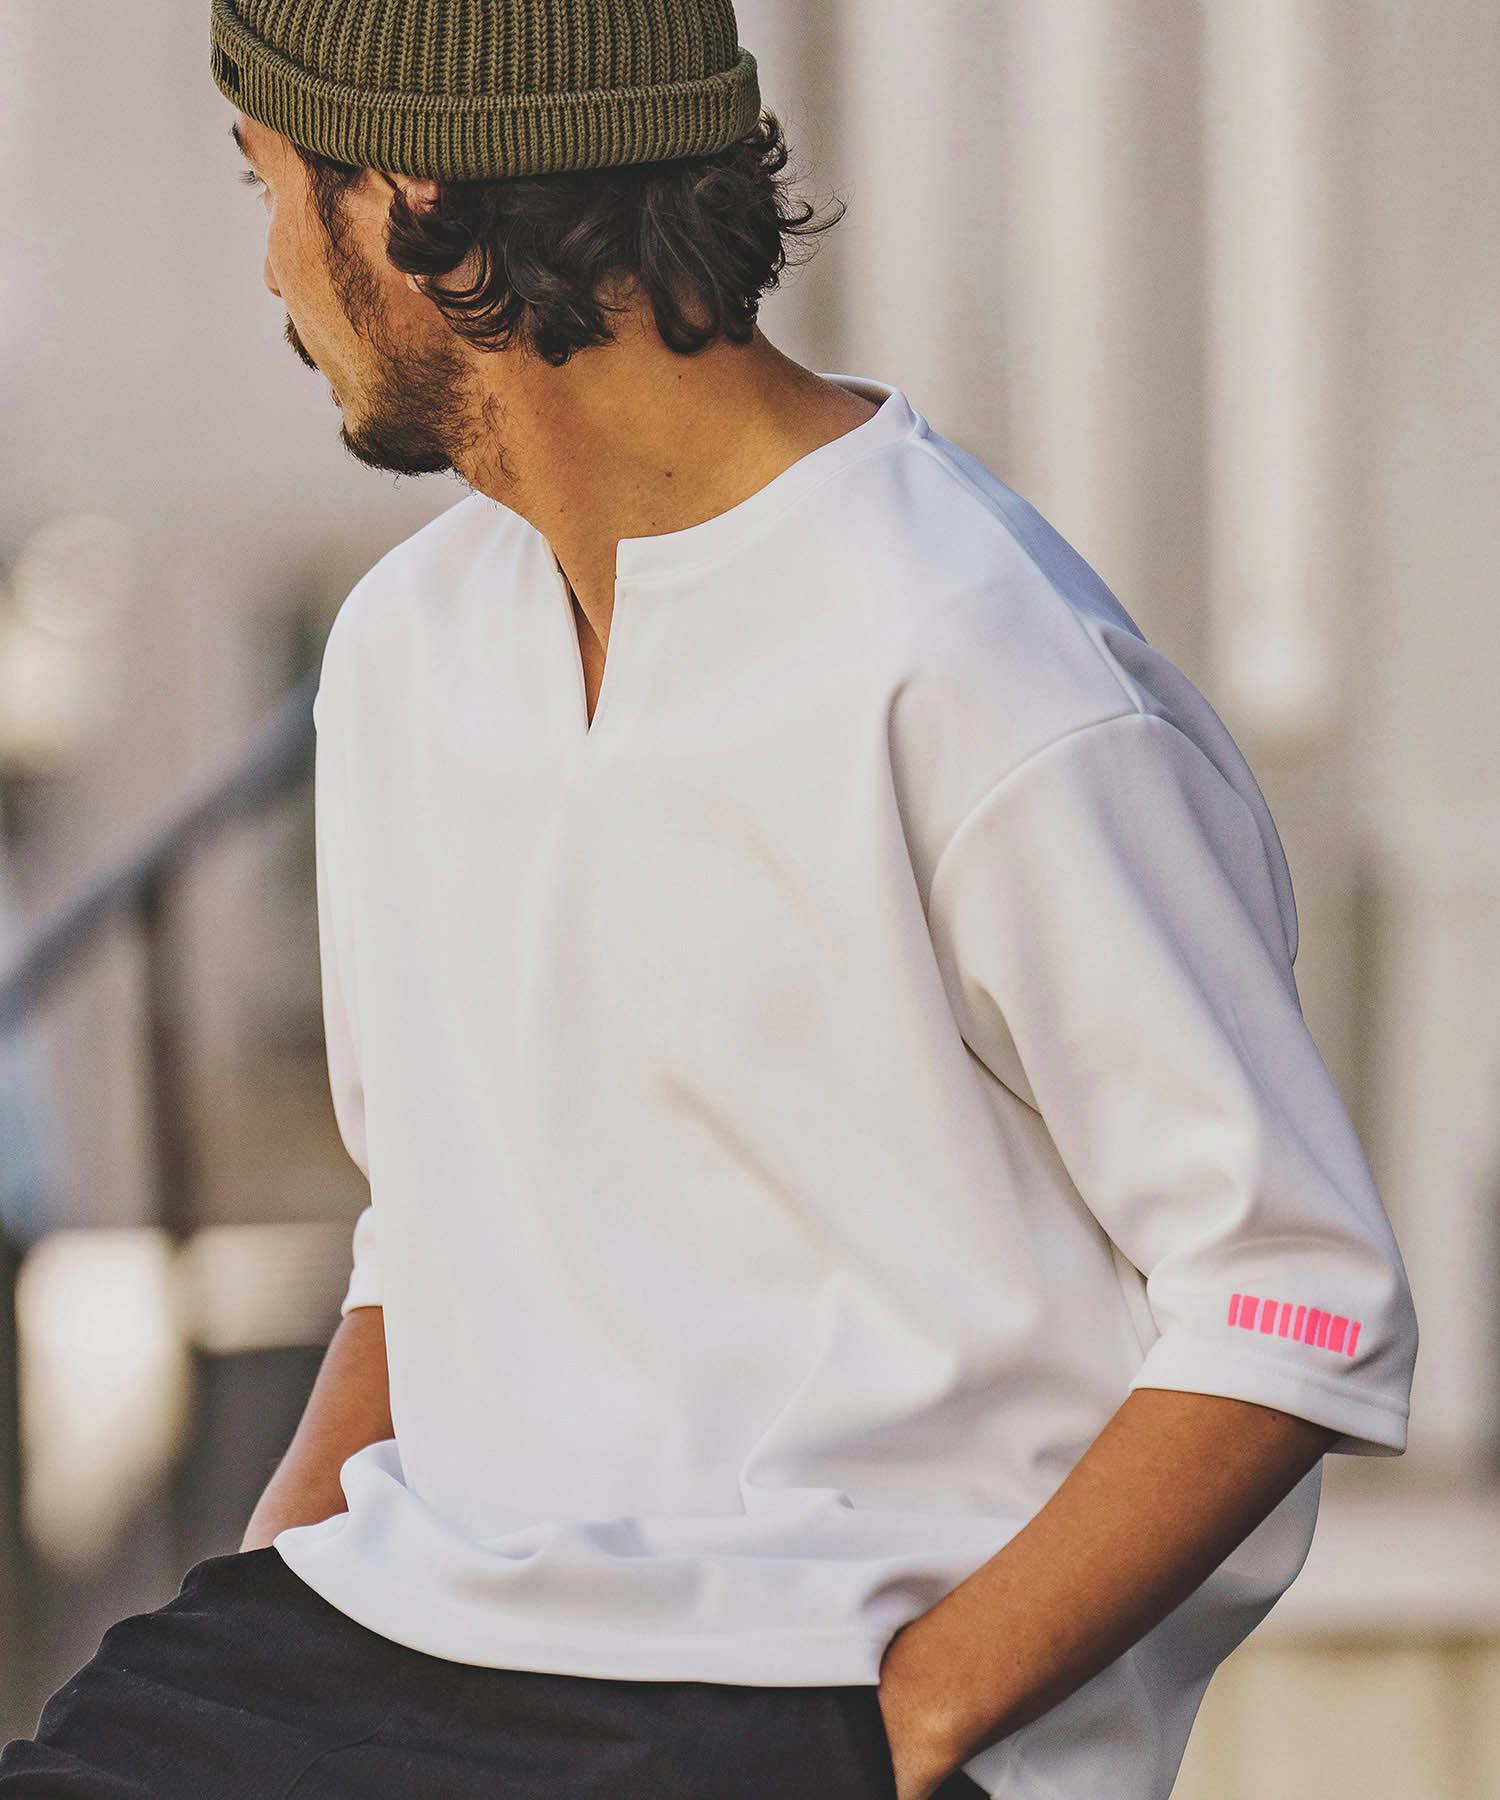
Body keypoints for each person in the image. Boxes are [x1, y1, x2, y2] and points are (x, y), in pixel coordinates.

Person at [0, 2, 1419, 1796]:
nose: (271, 269)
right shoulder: (405, 653)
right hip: (421, 1636)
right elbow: (425, 1234)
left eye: (268, 186)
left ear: (409, 194)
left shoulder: (979, 664)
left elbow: (1298, 1293)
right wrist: (274, 1585)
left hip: (798, 1676)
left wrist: (918, 1718)